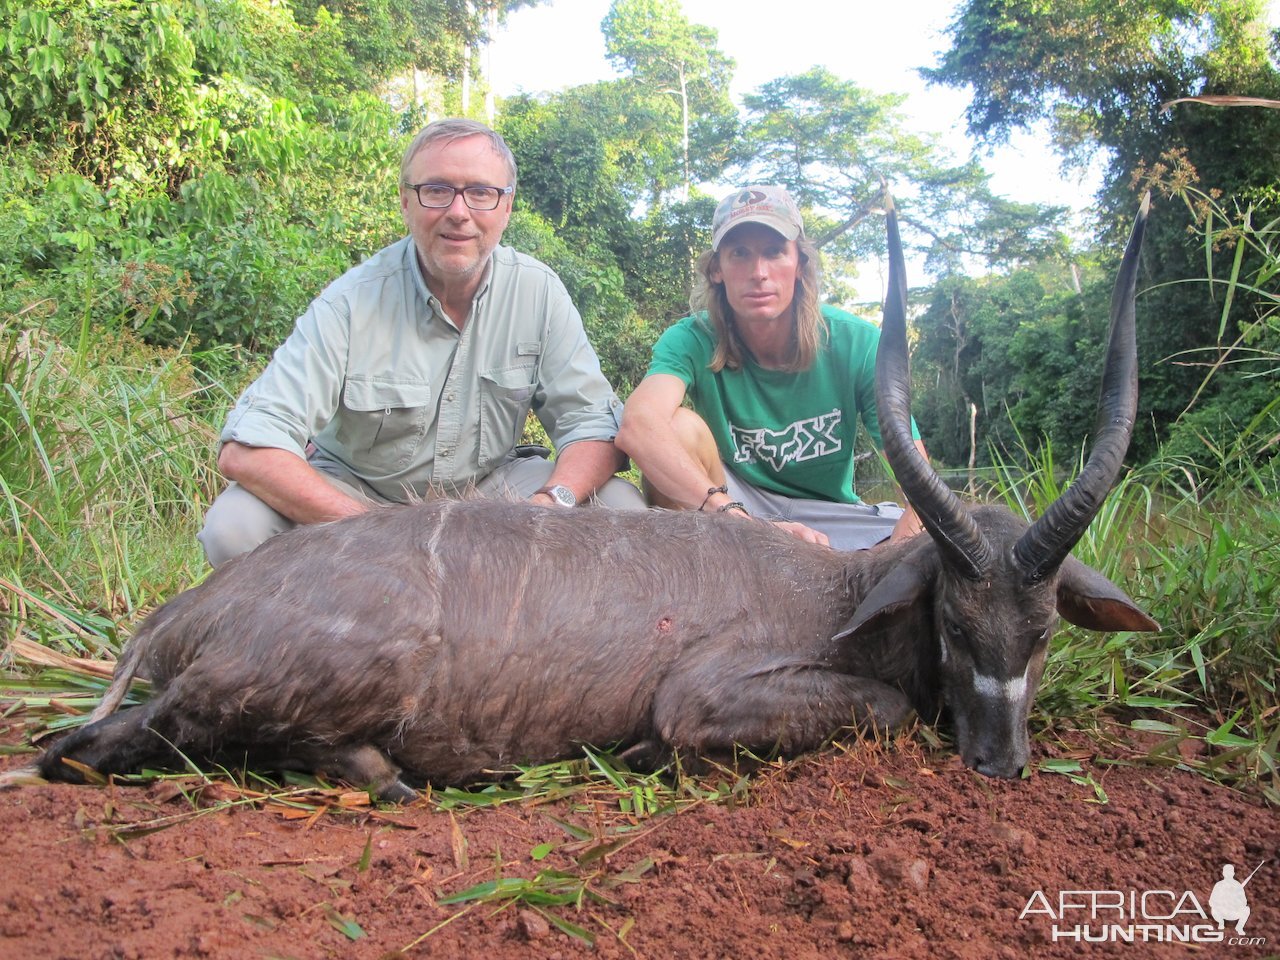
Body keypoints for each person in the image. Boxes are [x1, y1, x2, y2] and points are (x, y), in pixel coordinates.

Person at [199, 119, 644, 567]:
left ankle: (536, 634)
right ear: (406, 201)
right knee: (233, 528)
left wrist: (550, 503)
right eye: (436, 190)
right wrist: (377, 529)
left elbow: (593, 425)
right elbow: (249, 448)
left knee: (622, 508)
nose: (458, 211)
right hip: (361, 494)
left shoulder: (539, 292)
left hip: (492, 488)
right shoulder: (350, 302)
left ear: (506, 207)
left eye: (481, 193)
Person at [615, 184, 925, 551]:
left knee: (938, 540)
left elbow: (917, 477)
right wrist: (734, 517)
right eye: (740, 254)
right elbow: (639, 424)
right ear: (717, 269)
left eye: (775, 252)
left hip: (830, 513)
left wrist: (905, 544)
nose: (758, 272)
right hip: (730, 503)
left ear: (800, 265)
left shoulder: (857, 342)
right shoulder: (690, 338)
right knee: (677, 427)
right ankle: (693, 579)